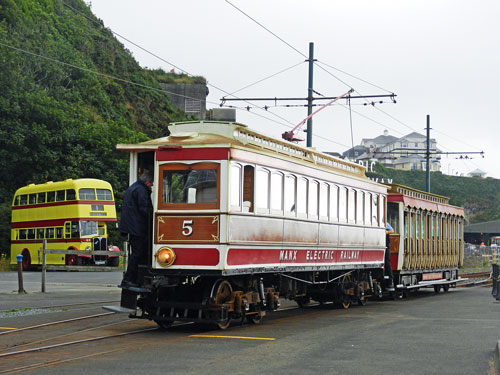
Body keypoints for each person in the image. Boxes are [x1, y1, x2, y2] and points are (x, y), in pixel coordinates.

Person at [119, 169, 154, 288]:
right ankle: (129, 279)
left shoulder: (134, 187)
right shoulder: (141, 190)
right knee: (138, 253)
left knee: (136, 253)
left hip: (132, 226)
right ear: (147, 182)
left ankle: (133, 279)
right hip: (137, 227)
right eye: (152, 182)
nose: (152, 185)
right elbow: (145, 209)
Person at [385, 222, 395, 292]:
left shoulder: (385, 223)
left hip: (386, 246)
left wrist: (387, 232)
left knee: (387, 262)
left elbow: (392, 230)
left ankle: (391, 280)